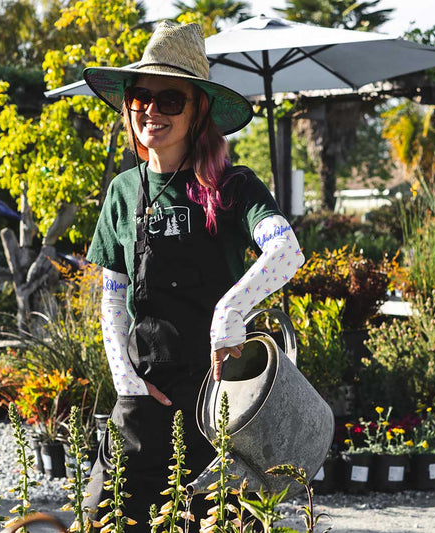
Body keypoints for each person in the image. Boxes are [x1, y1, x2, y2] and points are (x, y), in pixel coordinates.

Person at [82, 21, 305, 530]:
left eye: (170, 101)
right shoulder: (122, 192)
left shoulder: (233, 184)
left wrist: (231, 311)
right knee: (100, 517)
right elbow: (113, 299)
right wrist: (127, 380)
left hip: (219, 400)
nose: (151, 112)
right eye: (141, 98)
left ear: (199, 110)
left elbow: (286, 251)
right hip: (142, 397)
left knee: (211, 523)